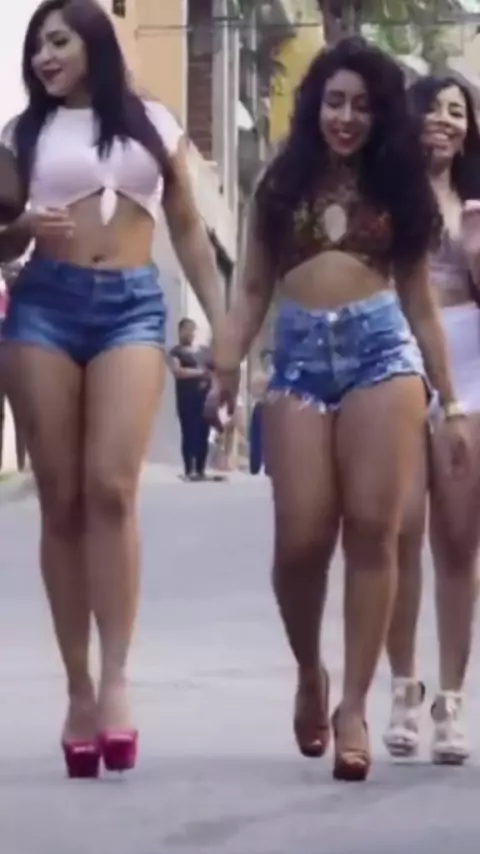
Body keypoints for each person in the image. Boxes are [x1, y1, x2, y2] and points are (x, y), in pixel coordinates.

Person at [211, 37, 468, 782]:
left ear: (380, 114)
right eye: (334, 102)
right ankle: (310, 672)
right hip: (297, 359)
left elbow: (420, 301)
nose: (346, 118)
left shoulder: (399, 188)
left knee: (373, 531)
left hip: (382, 355)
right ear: (314, 107)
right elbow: (251, 289)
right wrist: (225, 364)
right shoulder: (281, 183)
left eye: (361, 105)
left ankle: (354, 705)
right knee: (300, 539)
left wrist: (451, 403)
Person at [0, 0, 225, 778]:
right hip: (44, 307)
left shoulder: (154, 124)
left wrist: (224, 327)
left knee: (111, 489)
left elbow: (188, 228)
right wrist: (23, 230)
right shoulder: (21, 135)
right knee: (60, 498)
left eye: (58, 41)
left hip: (131, 305)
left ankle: (118, 680)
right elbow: (0, 236)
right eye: (37, 46)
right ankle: (78, 690)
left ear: (94, 43)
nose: (44, 57)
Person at [384, 75, 480, 765]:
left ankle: (450, 703)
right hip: (392, 358)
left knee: (457, 542)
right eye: (434, 108)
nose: (445, 121)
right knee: (397, 534)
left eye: (458, 112)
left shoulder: (477, 204)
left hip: (469, 368)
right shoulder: (383, 193)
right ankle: (403, 690)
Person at [169, 317, 211, 480]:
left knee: (203, 433)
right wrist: (200, 372)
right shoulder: (176, 352)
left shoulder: (204, 352)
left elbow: (214, 370)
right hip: (186, 399)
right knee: (188, 432)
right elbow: (178, 371)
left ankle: (200, 469)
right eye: (186, 329)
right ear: (180, 332)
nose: (189, 333)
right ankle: (189, 469)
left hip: (204, 398)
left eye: (192, 330)